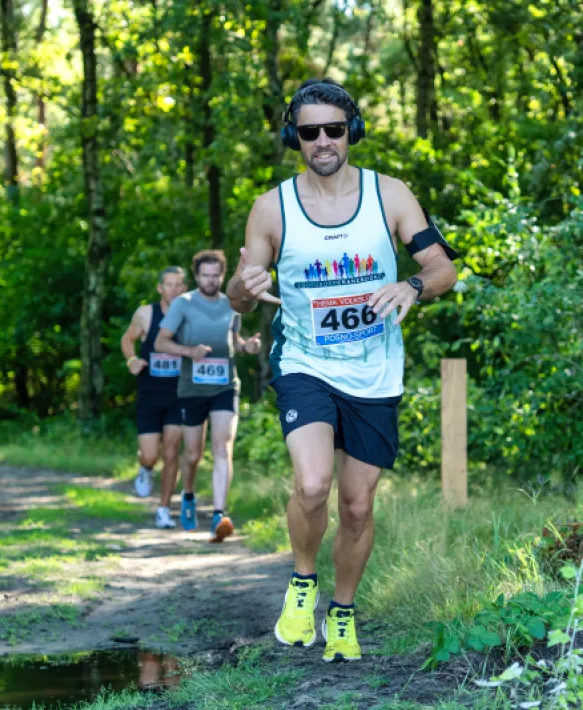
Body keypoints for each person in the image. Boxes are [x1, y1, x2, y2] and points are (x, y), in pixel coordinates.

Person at [227, 78, 458, 662]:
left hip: (375, 369)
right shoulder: (271, 208)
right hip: (304, 361)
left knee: (357, 505)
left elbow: (441, 268)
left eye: (334, 128)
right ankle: (303, 584)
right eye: (310, 132)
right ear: (294, 138)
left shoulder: (391, 195)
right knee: (312, 485)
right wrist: (242, 289)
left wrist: (411, 285)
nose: (324, 140)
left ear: (350, 131)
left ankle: (344, 614)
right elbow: (240, 295)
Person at [155, 250, 261, 542]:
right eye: (205, 275)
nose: (211, 280)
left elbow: (234, 340)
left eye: (216, 275)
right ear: (197, 276)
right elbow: (161, 341)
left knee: (222, 446)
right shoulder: (183, 304)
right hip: (192, 388)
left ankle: (219, 514)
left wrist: (246, 347)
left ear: (222, 276)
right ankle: (187, 494)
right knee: (192, 455)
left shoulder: (232, 304)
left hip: (225, 385)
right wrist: (190, 352)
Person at [120, 266, 191, 529]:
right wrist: (132, 360)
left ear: (184, 288)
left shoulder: (190, 315)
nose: (173, 289)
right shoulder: (146, 313)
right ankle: (145, 468)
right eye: (168, 285)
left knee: (172, 452)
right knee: (151, 455)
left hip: (179, 394)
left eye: (178, 285)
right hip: (150, 394)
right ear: (160, 288)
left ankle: (164, 509)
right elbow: (127, 340)